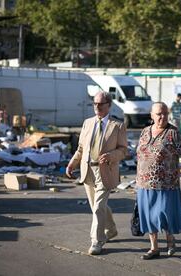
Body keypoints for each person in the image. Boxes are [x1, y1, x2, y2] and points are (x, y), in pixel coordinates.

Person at [66, 91, 128, 255]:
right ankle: (112, 229)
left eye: (100, 104)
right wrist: (72, 163)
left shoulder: (118, 125)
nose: (97, 107)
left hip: (106, 171)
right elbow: (80, 148)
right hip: (87, 170)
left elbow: (123, 151)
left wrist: (111, 156)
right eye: (95, 103)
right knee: (96, 207)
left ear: (109, 105)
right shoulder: (87, 123)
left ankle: (97, 241)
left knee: (99, 206)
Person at [136, 102, 181, 260]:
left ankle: (170, 240)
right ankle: (154, 247)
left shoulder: (173, 133)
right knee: (148, 216)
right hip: (144, 183)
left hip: (166, 183)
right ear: (151, 115)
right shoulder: (145, 132)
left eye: (165, 114)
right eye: (159, 114)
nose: (163, 117)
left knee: (164, 214)